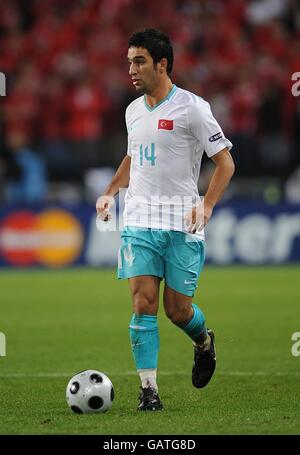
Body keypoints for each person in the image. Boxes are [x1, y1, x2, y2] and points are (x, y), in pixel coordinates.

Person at [96, 29, 235, 411]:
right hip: (138, 219)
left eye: (139, 61)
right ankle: (149, 391)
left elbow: (225, 162)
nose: (131, 70)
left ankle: (203, 341)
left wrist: (205, 206)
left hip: (181, 222)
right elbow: (133, 157)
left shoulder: (192, 108)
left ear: (162, 64)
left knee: (177, 310)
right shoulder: (132, 110)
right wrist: (110, 191)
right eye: (129, 62)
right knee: (143, 303)